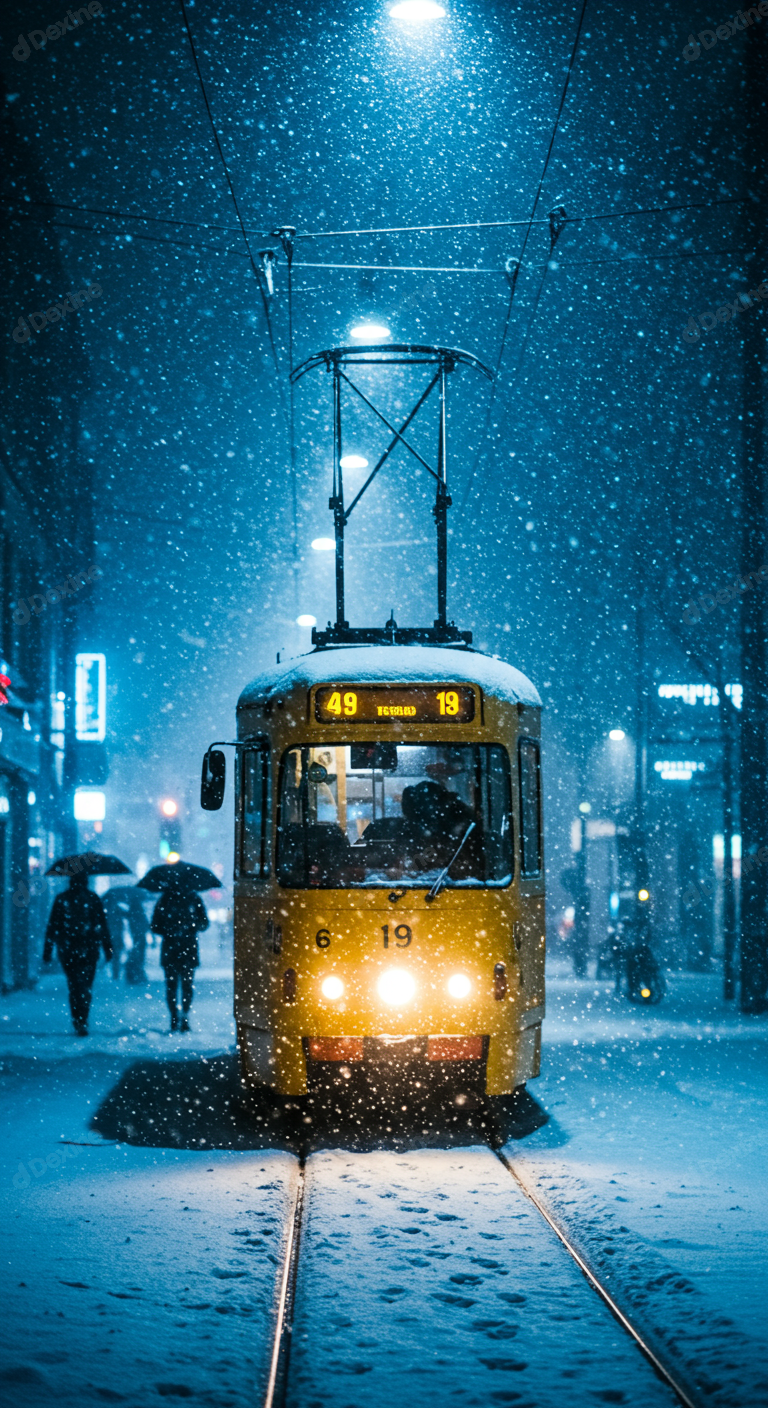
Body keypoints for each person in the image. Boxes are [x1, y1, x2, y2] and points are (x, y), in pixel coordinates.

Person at [42, 873, 113, 1036]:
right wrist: (108, 948)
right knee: (86, 985)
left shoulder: (62, 899)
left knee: (74, 985)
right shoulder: (93, 898)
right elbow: (102, 924)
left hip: (68, 949)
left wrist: (48, 950)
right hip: (89, 948)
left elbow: (53, 925)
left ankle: (77, 1019)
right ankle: (83, 1019)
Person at [151, 884, 209, 1032]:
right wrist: (188, 926)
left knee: (175, 985)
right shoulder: (192, 898)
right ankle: (181, 1016)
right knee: (184, 985)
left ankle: (178, 1016)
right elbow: (204, 923)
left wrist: (175, 928)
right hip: (184, 948)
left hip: (175, 949)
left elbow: (155, 925)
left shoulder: (165, 899)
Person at [103, 887, 150, 984]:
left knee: (117, 954)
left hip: (115, 936)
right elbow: (144, 923)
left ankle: (117, 973)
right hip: (119, 936)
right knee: (121, 953)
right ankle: (127, 973)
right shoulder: (133, 911)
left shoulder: (114, 911)